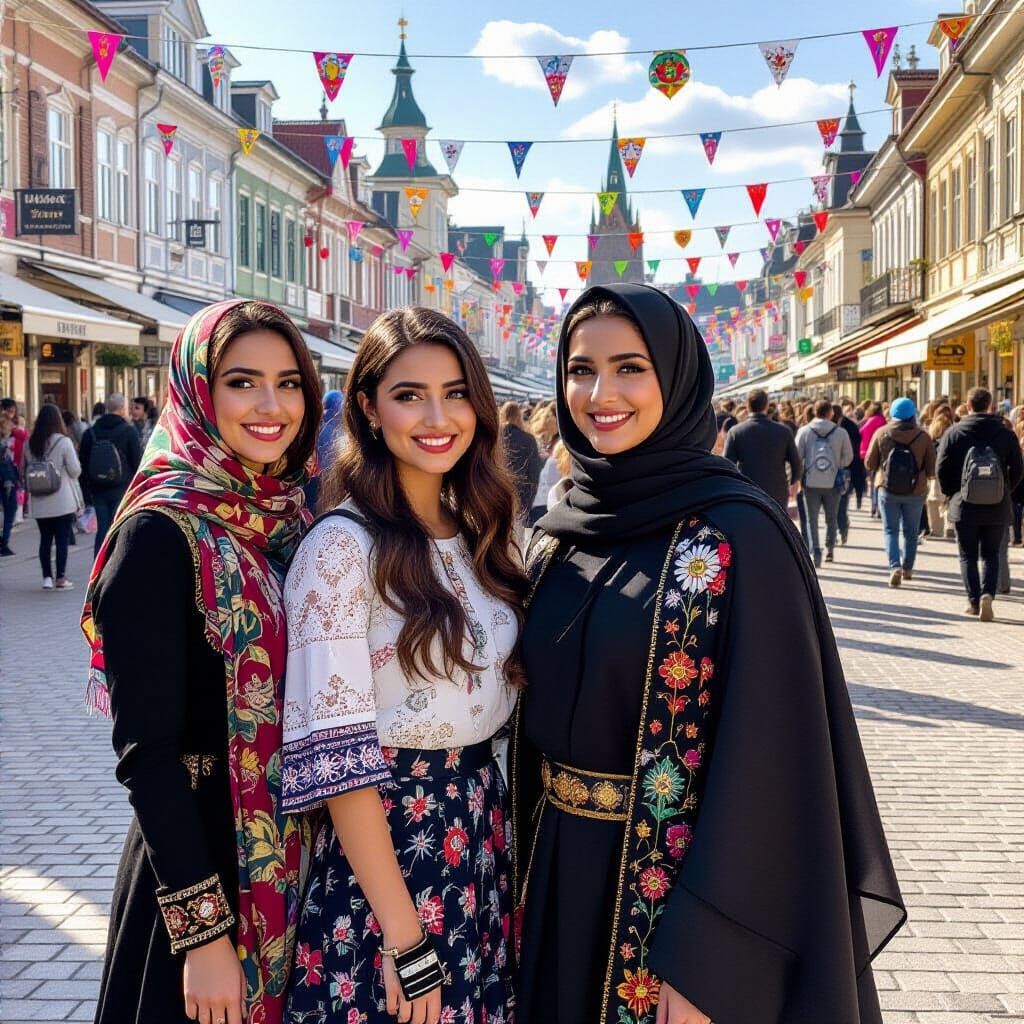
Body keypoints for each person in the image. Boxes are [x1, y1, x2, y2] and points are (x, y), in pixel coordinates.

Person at [513, 283, 904, 1024]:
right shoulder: (558, 531)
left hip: (672, 907)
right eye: (580, 369)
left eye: (631, 368)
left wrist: (706, 964)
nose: (601, 393)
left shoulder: (736, 536)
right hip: (554, 874)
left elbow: (771, 767)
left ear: (678, 377)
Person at [282, 308, 525, 1023]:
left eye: (455, 393)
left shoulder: (483, 530)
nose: (437, 415)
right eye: (409, 394)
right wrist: (405, 936)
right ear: (367, 405)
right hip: (392, 853)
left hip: (481, 830)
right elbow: (341, 762)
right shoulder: (341, 549)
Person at [81, 300, 322, 1024]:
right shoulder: (157, 534)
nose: (271, 405)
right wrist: (204, 936)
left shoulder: (290, 516)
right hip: (198, 869)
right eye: (242, 382)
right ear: (196, 391)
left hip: (290, 856)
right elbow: (144, 757)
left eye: (289, 382)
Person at [937, 386, 1024, 621]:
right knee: (991, 554)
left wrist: (953, 493)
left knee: (967, 556)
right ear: (990, 405)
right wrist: (1004, 490)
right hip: (997, 505)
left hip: (964, 505)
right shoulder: (1005, 433)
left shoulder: (954, 432)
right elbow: (1018, 469)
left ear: (967, 404)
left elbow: (941, 468)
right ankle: (988, 594)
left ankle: (974, 602)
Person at [865, 397, 935, 588]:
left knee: (890, 530)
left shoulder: (882, 433)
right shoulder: (923, 436)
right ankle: (908, 568)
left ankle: (894, 565)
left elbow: (870, 463)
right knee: (911, 532)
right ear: (913, 413)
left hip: (887, 489)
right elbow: (931, 469)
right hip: (915, 491)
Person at [23, 403, 81, 589]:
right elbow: (75, 470)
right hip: (62, 499)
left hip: (39, 499)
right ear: (58, 420)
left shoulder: (30, 443)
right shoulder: (63, 442)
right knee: (62, 539)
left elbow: (24, 469)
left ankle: (46, 578)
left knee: (45, 539)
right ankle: (61, 578)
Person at [80, 393, 143, 554]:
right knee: (119, 527)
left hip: (97, 488)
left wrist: (86, 491)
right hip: (121, 488)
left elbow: (83, 463)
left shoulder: (91, 432)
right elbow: (137, 462)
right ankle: (115, 566)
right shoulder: (129, 431)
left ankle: (98, 568)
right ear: (122, 409)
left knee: (102, 528)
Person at [722, 387, 802, 509]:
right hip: (777, 491)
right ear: (766, 405)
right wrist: (794, 483)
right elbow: (796, 462)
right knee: (776, 526)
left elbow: (727, 465)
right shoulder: (783, 431)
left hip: (748, 490)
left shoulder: (735, 432)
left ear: (747, 406)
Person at [796, 398, 853, 568]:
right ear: (831, 413)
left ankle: (817, 552)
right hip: (833, 482)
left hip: (810, 482)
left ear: (814, 411)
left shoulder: (805, 431)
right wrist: (837, 465)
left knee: (811, 520)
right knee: (831, 517)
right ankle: (830, 548)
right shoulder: (841, 432)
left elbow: (797, 457)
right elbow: (849, 457)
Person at [500, 399, 543, 522]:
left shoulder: (494, 436)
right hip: (520, 497)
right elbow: (534, 473)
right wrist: (528, 503)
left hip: (495, 494)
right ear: (519, 416)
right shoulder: (528, 439)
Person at [1, 398, 27, 556]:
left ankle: (4, 541)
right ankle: (4, 542)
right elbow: (23, 436)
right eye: (9, 411)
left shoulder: (12, 427)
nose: (11, 414)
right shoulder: (9, 427)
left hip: (9, 473)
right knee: (10, 508)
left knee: (9, 509)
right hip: (7, 475)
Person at [835, 402, 865, 526]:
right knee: (839, 502)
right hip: (845, 467)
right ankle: (840, 526)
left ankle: (841, 526)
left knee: (840, 501)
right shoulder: (851, 426)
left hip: (843, 468)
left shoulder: (848, 427)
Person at [926, 410, 955, 538]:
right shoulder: (953, 438)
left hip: (935, 474)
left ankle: (936, 529)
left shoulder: (932, 442)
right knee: (949, 500)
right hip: (951, 473)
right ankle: (949, 525)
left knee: (933, 501)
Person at [860, 403, 887, 516]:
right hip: (879, 453)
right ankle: (879, 508)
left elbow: (861, 431)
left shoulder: (869, 420)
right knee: (878, 481)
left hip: (866, 453)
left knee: (872, 481)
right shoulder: (881, 420)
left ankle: (873, 506)